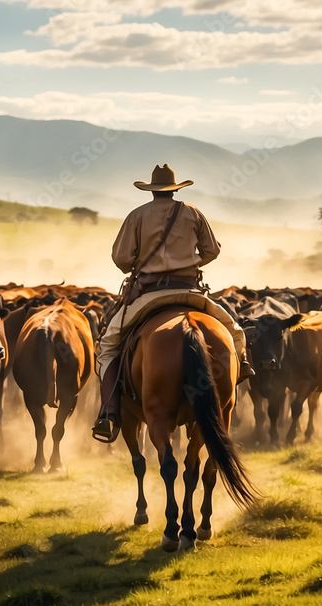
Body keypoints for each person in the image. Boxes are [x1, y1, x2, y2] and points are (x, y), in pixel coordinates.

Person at [92, 163, 255, 443]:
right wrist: (189, 262)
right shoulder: (192, 212)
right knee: (234, 332)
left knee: (107, 346)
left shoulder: (137, 215)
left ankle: (108, 413)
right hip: (190, 291)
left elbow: (120, 259)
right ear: (175, 189)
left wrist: (142, 266)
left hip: (148, 296)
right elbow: (211, 250)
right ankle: (240, 367)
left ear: (152, 191)